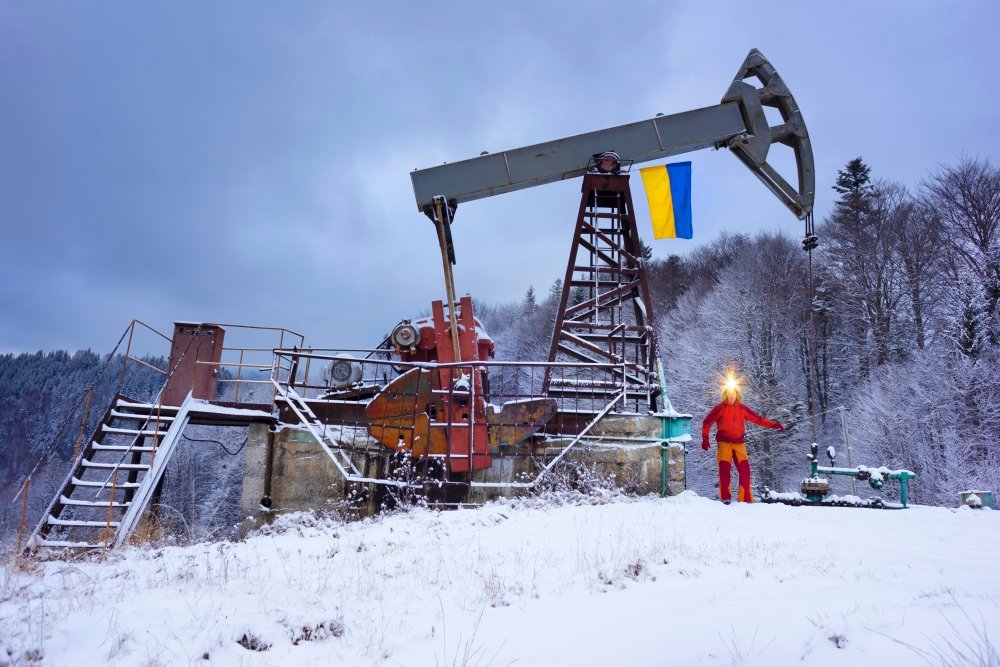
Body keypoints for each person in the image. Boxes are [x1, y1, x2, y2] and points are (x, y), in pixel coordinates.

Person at [701, 385, 784, 504]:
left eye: (733, 394)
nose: (731, 396)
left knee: (745, 469)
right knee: (724, 470)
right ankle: (725, 498)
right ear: (726, 395)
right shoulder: (720, 408)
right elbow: (707, 421)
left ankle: (745, 498)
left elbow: (758, 419)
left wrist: (773, 424)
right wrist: (705, 437)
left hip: (739, 443)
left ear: (736, 395)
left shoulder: (742, 409)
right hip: (724, 442)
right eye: (729, 394)